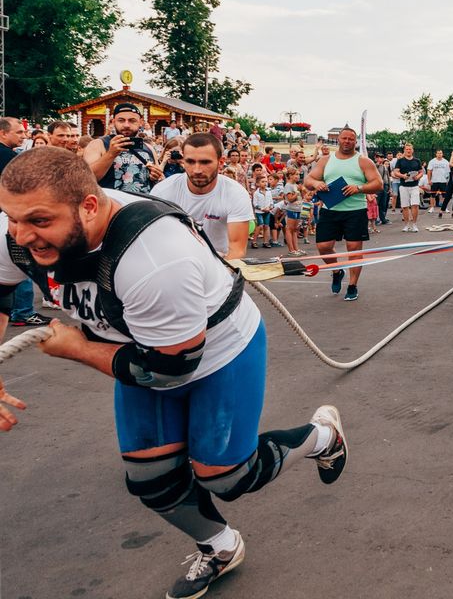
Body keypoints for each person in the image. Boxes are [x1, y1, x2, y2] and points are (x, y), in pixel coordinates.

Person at [0, 147, 347, 598]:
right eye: (12, 217)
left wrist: (79, 349)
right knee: (151, 480)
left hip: (218, 352)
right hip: (139, 345)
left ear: (88, 206)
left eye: (40, 222)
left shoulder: (155, 257)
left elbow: (166, 370)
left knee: (227, 477)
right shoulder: (17, 230)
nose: (22, 235)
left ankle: (323, 436)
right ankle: (221, 547)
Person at [303, 127, 382, 302]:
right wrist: (316, 184)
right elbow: (308, 180)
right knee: (324, 247)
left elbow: (378, 183)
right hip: (330, 210)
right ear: (338, 140)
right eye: (344, 138)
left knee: (353, 249)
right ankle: (337, 271)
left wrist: (359, 188)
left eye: (351, 139)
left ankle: (352, 285)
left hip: (355, 211)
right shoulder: (325, 160)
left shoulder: (363, 161)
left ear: (355, 141)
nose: (347, 141)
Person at [151, 133, 253, 259]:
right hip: (177, 264)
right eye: (190, 162)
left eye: (205, 162)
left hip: (221, 265)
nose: (197, 170)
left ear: (221, 163)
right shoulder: (163, 191)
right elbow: (156, 243)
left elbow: (237, 251)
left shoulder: (236, 194)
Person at [0, 118, 51, 327]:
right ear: (3, 133)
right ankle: (22, 312)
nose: (24, 136)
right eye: (19, 132)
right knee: (21, 264)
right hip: (9, 219)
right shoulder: (9, 157)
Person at [83, 103, 163, 194]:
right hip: (112, 205)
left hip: (142, 204)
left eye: (132, 121)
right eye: (121, 120)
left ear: (141, 122)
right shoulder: (98, 144)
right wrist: (110, 154)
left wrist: (156, 176)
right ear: (113, 122)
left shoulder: (149, 148)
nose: (126, 125)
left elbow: (159, 180)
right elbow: (87, 178)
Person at [392, 143, 423, 233]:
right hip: (403, 186)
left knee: (415, 205)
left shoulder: (417, 161)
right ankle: (406, 225)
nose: (408, 151)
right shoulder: (400, 161)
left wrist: (418, 177)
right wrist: (402, 175)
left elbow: (421, 172)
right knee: (405, 206)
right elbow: (395, 172)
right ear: (404, 151)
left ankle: (414, 224)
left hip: (414, 186)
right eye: (407, 149)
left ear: (412, 150)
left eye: (410, 149)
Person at [428, 149, 451, 215]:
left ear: (442, 154)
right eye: (438, 153)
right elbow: (429, 171)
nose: (439, 154)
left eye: (440, 153)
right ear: (436, 154)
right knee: (432, 195)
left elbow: (448, 172)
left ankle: (445, 207)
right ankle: (432, 207)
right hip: (434, 181)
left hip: (443, 181)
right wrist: (429, 180)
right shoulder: (432, 161)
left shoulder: (446, 162)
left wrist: (448, 181)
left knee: (445, 195)